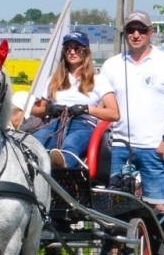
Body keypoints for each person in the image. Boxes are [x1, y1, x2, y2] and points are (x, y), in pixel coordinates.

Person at [99, 11, 164, 217]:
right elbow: (97, 103)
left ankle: (163, 247)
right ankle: (116, 249)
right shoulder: (111, 65)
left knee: (159, 207)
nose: (136, 35)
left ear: (150, 32)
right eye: (130, 30)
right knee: (114, 209)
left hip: (154, 147)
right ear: (125, 34)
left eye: (141, 30)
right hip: (119, 148)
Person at [28, 30, 118, 167]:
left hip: (83, 125)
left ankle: (63, 168)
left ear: (85, 52)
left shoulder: (99, 80)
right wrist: (49, 109)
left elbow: (114, 113)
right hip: (56, 123)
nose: (72, 52)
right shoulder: (53, 80)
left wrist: (87, 109)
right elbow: (34, 109)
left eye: (77, 48)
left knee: (72, 142)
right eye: (67, 49)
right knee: (36, 140)